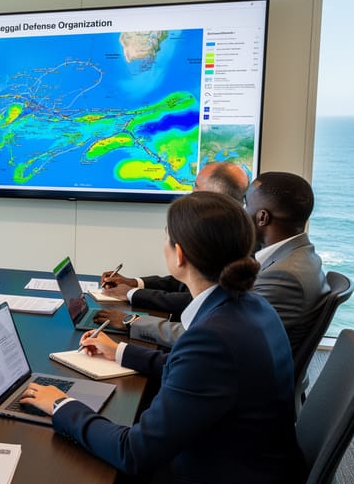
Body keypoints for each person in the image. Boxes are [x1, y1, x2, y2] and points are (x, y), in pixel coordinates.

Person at [21, 192, 305, 482]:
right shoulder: (252, 305)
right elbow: (194, 371)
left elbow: (133, 453)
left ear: (179, 254)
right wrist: (119, 351)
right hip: (253, 458)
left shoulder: (212, 338)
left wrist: (61, 405)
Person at [97, 171, 329, 354]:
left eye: (246, 204)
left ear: (262, 217)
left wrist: (130, 321)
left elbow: (212, 335)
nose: (240, 210)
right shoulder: (291, 256)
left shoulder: (284, 275)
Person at [99, 160, 250, 312]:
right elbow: (188, 282)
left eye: (196, 186)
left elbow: (196, 300)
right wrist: (134, 283)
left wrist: (131, 296)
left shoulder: (229, 238)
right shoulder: (237, 230)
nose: (191, 191)